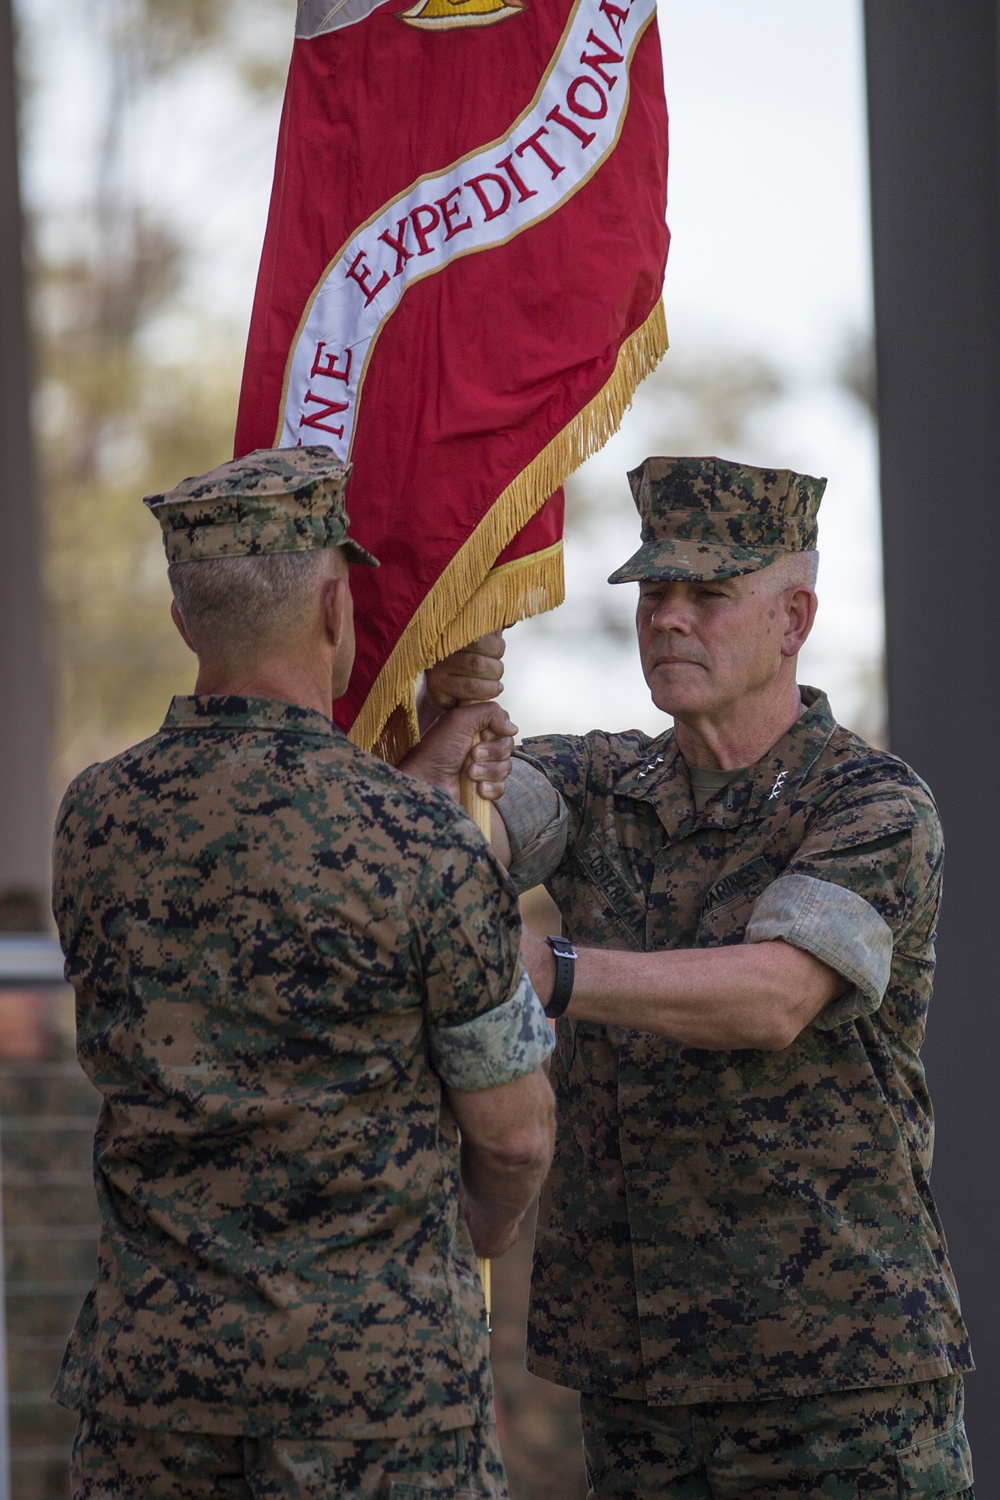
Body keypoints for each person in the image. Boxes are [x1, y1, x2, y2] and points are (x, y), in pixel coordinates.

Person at [414, 456, 975, 1498]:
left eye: (708, 595)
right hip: (638, 1381)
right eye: (652, 593)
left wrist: (553, 970)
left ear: (792, 618)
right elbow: (421, 860)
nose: (667, 620)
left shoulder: (870, 804)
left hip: (832, 1379)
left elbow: (775, 996)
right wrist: (443, 732)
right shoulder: (594, 778)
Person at [51, 446, 555, 1500]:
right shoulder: (416, 844)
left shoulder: (96, 819)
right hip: (376, 1409)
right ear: (337, 608)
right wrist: (481, 1229)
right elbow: (513, 1133)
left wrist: (416, 785)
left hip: (156, 1401)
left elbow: (261, 850)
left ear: (187, 621)